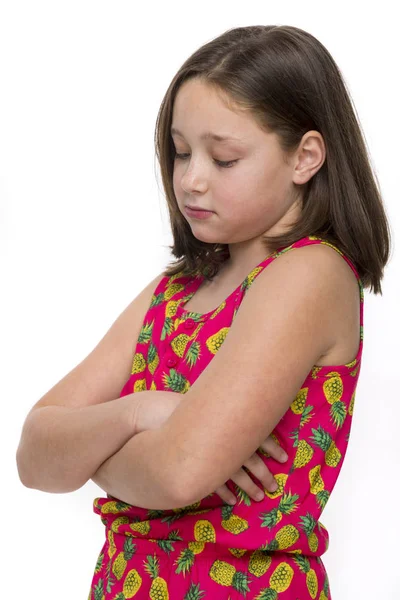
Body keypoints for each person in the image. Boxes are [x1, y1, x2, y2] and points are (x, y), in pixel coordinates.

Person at [16, 25, 391, 600]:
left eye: (224, 158)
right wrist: (140, 412)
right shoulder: (174, 291)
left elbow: (177, 473)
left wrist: (88, 454)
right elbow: (34, 456)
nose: (190, 179)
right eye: (181, 151)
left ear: (305, 157)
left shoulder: (308, 274)